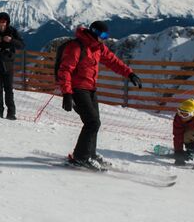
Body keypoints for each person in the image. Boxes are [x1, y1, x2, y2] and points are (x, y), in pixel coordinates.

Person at [57, 21, 142, 170]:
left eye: (106, 35)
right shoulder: (76, 47)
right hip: (77, 89)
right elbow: (65, 71)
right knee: (92, 123)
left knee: (95, 122)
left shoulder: (98, 47)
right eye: (103, 35)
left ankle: (90, 153)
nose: (105, 38)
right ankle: (80, 158)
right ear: (94, 32)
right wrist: (67, 94)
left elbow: (113, 61)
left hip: (90, 89)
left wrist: (130, 74)